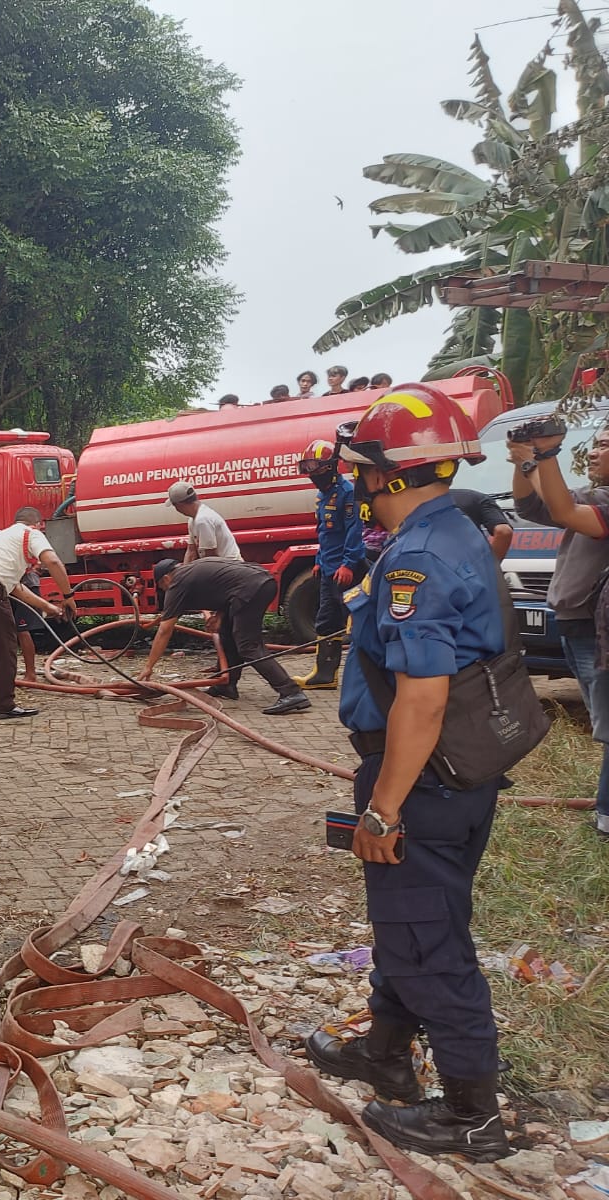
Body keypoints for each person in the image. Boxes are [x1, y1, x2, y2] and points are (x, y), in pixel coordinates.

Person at [304, 384, 510, 1161]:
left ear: (389, 476)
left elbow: (421, 700)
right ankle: (386, 1052)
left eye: (359, 467)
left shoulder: (417, 557)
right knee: (407, 922)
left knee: (428, 937)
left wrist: (384, 807)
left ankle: (471, 1114)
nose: (350, 480)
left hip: (420, 781)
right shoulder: (452, 532)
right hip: (455, 777)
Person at [510, 421, 609, 836]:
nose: (595, 451)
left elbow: (564, 512)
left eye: (605, 445)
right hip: (574, 624)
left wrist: (542, 456)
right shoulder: (598, 496)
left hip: (593, 629)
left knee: (607, 724)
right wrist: (523, 460)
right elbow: (531, 507)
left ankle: (605, 814)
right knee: (600, 718)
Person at [0, 506, 75, 720]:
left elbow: (16, 587)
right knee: (4, 646)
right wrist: (68, 595)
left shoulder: (0, 539)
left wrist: (49, 608)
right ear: (38, 525)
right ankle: (3, 705)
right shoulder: (31, 533)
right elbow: (53, 561)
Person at [139, 558, 310, 714]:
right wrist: (219, 616)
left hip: (252, 587)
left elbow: (164, 631)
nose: (165, 591)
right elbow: (226, 587)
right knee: (227, 634)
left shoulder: (178, 583)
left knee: (248, 645)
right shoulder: (191, 571)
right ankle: (227, 686)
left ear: (165, 579)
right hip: (260, 581)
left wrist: (148, 666)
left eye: (162, 587)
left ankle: (291, 692)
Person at [296, 438, 366, 690]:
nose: (310, 474)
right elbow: (324, 533)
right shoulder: (323, 495)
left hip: (345, 571)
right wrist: (318, 560)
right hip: (328, 569)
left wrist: (348, 564)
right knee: (326, 622)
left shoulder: (347, 493)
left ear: (330, 466)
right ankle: (325, 675)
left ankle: (367, 677)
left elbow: (354, 532)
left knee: (358, 622)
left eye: (314, 467)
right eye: (306, 469)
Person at [167, 481, 241, 562]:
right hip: (221, 565)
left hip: (229, 566)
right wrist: (184, 572)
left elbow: (210, 557)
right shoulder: (193, 520)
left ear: (179, 505)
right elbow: (191, 551)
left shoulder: (203, 520)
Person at [446, 488, 514, 561]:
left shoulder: (434, 502)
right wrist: (490, 566)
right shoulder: (476, 497)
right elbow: (504, 531)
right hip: (470, 566)